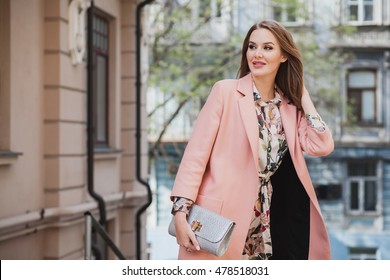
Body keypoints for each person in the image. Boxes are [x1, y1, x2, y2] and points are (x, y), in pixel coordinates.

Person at [169, 19, 334, 260]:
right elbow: (195, 157)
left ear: (283, 56)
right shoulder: (225, 92)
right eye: (252, 46)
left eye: (268, 48)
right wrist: (180, 212)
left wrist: (303, 96)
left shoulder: (289, 106)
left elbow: (321, 145)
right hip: (223, 217)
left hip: (270, 220)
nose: (257, 54)